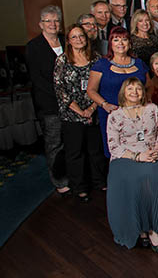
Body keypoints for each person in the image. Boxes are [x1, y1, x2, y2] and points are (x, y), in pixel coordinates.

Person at [106, 77, 158, 251]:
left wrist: (156, 151)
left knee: (153, 175)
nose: (134, 92)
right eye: (130, 89)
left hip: (151, 154)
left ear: (143, 92)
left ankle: (153, 230)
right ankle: (140, 228)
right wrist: (137, 156)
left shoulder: (152, 109)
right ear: (123, 93)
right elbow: (114, 147)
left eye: (138, 89)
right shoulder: (114, 116)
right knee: (133, 180)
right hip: (125, 158)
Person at [53, 24, 105, 201]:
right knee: (75, 152)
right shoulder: (62, 60)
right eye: (74, 37)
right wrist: (80, 111)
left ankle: (99, 182)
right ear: (68, 40)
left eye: (81, 36)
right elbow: (60, 89)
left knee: (95, 150)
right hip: (71, 114)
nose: (78, 40)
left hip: (94, 111)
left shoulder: (96, 58)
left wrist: (91, 109)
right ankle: (79, 187)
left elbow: (101, 86)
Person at [88, 26, 150, 158]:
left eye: (124, 40)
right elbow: (91, 90)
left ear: (129, 43)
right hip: (112, 115)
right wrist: (104, 104)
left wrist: (146, 104)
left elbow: (149, 86)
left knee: (140, 151)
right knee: (116, 153)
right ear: (111, 43)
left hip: (137, 115)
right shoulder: (101, 64)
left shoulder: (139, 63)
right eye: (116, 40)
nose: (120, 44)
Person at [27, 6, 69, 195]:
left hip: (71, 102)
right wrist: (60, 95)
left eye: (56, 20)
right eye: (48, 21)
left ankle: (73, 175)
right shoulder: (34, 47)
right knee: (54, 142)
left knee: (71, 141)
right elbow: (37, 79)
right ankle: (60, 181)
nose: (53, 24)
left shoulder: (65, 40)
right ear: (41, 24)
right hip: (50, 103)